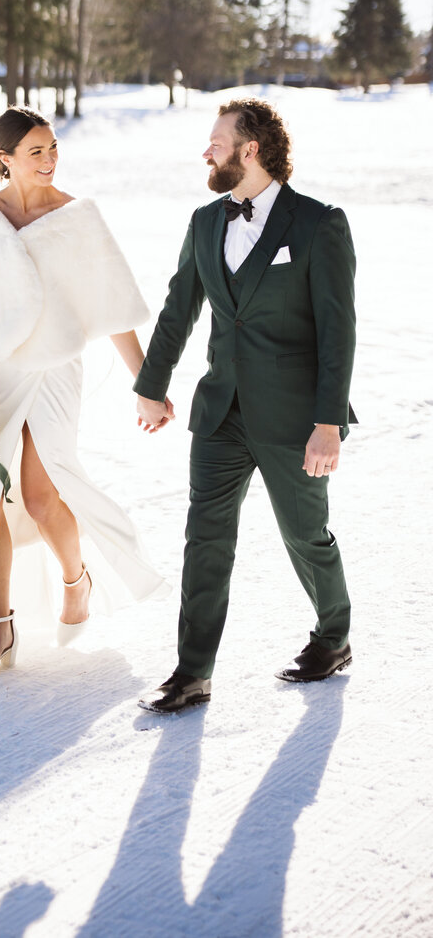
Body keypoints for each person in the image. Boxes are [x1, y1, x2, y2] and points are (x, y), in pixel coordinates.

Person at [0, 105, 167, 678]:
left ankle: (77, 579)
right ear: (4, 158)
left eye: (53, 149)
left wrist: (147, 386)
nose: (49, 160)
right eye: (36, 151)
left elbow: (114, 311)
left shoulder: (77, 218)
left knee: (40, 496)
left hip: (54, 372)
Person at [134, 97, 356, 713]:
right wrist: (152, 385)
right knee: (205, 538)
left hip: (294, 419)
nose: (206, 151)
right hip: (219, 416)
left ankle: (333, 636)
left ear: (250, 149)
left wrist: (327, 423)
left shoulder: (318, 224)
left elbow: (339, 332)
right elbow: (180, 307)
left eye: (216, 140)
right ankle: (192, 671)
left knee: (305, 536)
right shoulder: (206, 222)